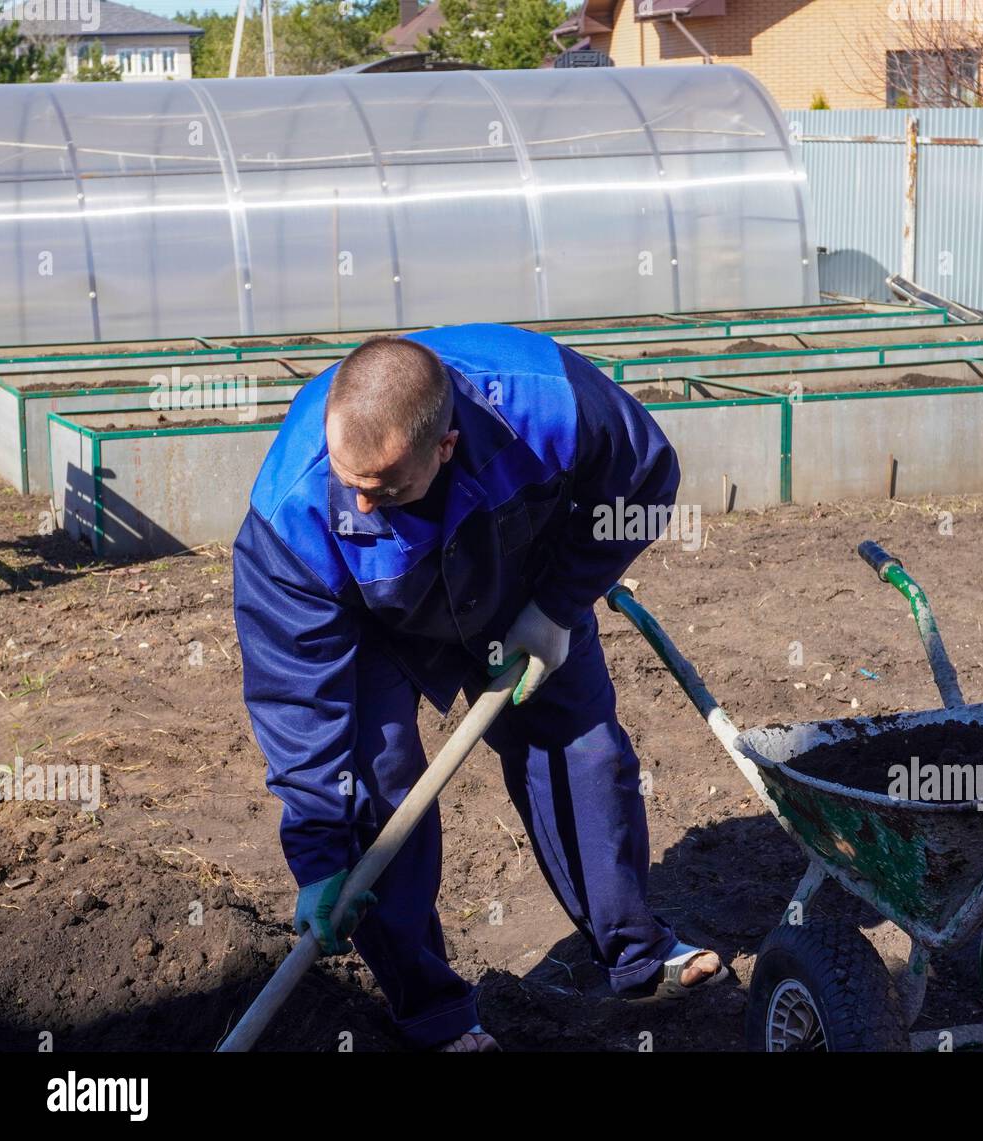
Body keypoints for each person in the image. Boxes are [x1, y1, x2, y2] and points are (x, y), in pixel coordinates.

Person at [232, 324, 726, 1052]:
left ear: (446, 445)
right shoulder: (294, 513)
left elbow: (645, 483)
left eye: (385, 487)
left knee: (582, 750)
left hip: (520, 579)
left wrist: (558, 605)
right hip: (378, 622)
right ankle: (434, 1014)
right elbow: (299, 697)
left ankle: (637, 953)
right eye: (351, 482)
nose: (362, 505)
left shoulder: (548, 404)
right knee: (375, 788)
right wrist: (319, 856)